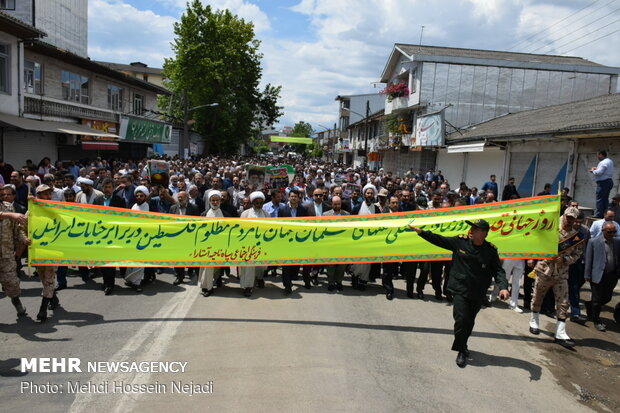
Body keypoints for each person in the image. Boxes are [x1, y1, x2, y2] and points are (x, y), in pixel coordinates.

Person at [410, 219, 509, 368]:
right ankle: (461, 350)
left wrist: (503, 287)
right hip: (459, 289)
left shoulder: (490, 250)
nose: (471, 230)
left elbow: (498, 271)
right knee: (461, 319)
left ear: (483, 233)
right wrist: (422, 233)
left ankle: (463, 344)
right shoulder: (460, 242)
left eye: (475, 229)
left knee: (469, 321)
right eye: (472, 228)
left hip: (477, 291)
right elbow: (440, 240)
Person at [528, 207, 584, 348]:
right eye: (568, 217)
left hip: (561, 274)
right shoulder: (552, 229)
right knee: (537, 297)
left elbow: (577, 255)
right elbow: (538, 242)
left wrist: (564, 259)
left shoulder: (576, 237)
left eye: (572, 218)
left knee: (563, 302)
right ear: (563, 216)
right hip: (544, 270)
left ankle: (560, 332)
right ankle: (534, 321)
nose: (569, 220)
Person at [584, 221, 620, 332]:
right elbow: (588, 259)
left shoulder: (618, 242)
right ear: (603, 231)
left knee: (607, 297)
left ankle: (590, 306)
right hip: (598, 274)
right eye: (609, 231)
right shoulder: (593, 242)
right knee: (597, 298)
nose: (612, 234)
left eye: (614, 231)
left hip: (612, 275)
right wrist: (587, 274)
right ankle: (596, 320)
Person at [30, 185, 59, 321]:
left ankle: (42, 310)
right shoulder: (32, 210)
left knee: (48, 280)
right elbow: (23, 226)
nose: (48, 196)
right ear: (38, 195)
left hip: (52, 251)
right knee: (44, 279)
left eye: (49, 194)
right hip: (38, 252)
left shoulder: (55, 209)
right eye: (44, 194)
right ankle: (53, 298)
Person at [0, 192, 29, 316]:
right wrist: (11, 215)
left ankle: (17, 303)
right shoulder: (10, 212)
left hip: (6, 254)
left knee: (12, 283)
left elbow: (16, 230)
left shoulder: (8, 206)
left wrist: (23, 239)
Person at [239, 191, 269, 297]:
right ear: (252, 203)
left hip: (261, 244)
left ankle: (259, 278)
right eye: (257, 203)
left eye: (261, 203)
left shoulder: (266, 215)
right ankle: (247, 286)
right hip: (248, 245)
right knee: (248, 267)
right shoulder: (245, 214)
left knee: (261, 265)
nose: (259, 205)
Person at [278, 189, 308, 294]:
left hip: (298, 242)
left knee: (295, 265)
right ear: (288, 197)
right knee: (286, 264)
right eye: (291, 196)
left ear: (298, 198)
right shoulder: (282, 210)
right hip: (286, 241)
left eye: (295, 196)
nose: (293, 198)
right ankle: (287, 285)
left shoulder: (303, 210)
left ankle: (291, 279)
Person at [198, 190, 225, 297]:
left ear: (220, 201)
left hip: (221, 246)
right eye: (212, 200)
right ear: (209, 201)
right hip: (207, 246)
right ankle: (208, 287)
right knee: (207, 267)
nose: (214, 202)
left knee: (218, 267)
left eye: (216, 200)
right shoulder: (204, 215)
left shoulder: (225, 215)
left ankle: (217, 279)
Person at [323, 196, 348, 292]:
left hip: (342, 245)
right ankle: (331, 282)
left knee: (341, 266)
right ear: (331, 204)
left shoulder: (347, 215)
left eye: (339, 204)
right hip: (330, 245)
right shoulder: (325, 215)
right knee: (330, 266)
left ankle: (339, 282)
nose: (337, 206)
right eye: (335, 204)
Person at [590, 150, 615, 218]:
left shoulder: (603, 162)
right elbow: (604, 170)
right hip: (608, 181)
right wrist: (597, 169)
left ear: (601, 154)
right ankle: (605, 213)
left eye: (598, 155)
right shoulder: (609, 161)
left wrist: (593, 170)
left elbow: (600, 172)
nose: (598, 157)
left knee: (600, 199)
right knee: (605, 199)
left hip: (603, 182)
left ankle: (599, 214)